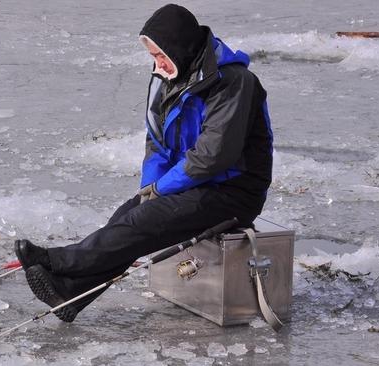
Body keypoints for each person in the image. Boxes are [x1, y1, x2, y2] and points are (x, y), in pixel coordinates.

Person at [14, 4, 273, 322]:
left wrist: (161, 189)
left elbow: (212, 157)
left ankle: (59, 262)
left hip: (234, 192)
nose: (158, 64)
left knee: (144, 220)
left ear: (180, 48)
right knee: (130, 215)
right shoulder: (172, 80)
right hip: (194, 183)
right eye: (154, 57)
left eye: (161, 55)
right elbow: (157, 145)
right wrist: (147, 190)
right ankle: (71, 292)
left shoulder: (233, 83)